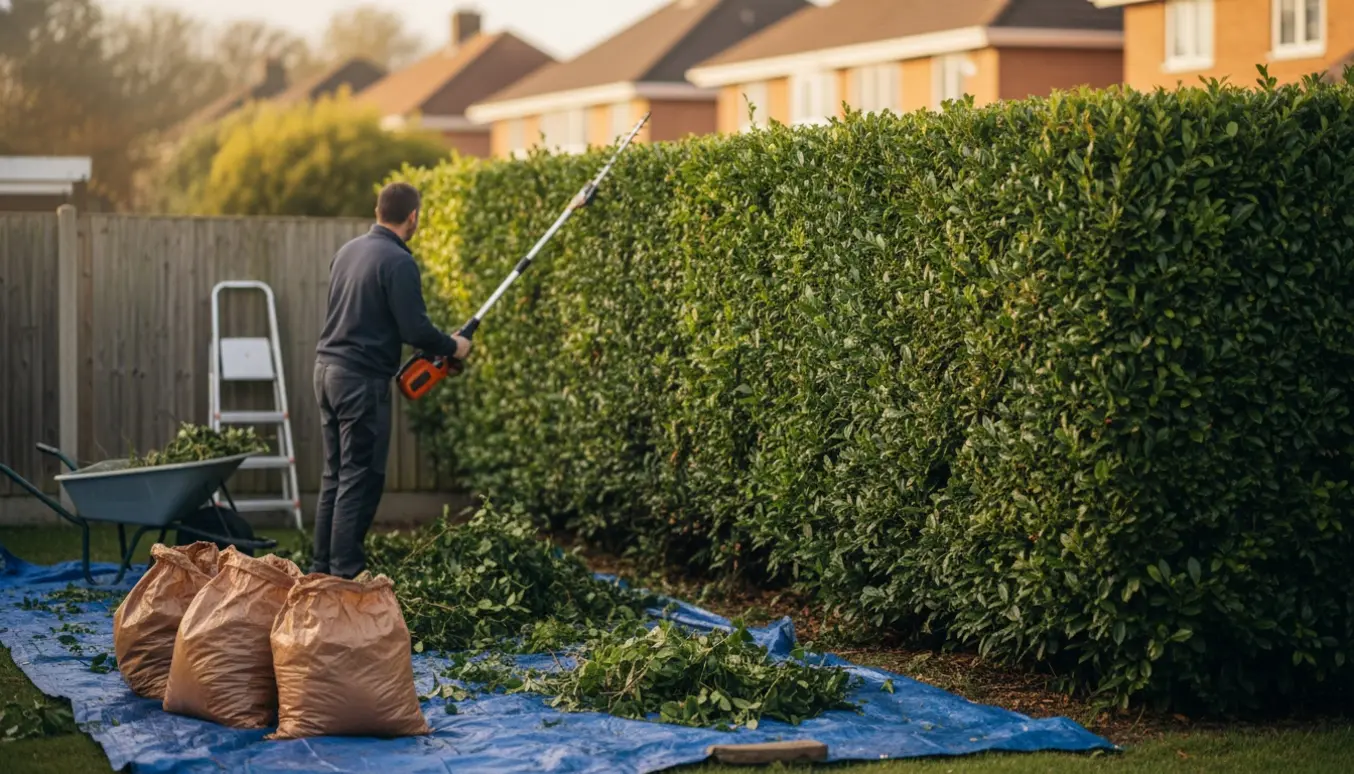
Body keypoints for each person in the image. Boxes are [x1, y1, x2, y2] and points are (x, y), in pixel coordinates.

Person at [311, 181, 470, 578]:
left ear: (378, 209)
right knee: (360, 477)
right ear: (412, 216)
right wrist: (453, 347)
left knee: (335, 475)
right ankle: (345, 575)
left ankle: (320, 571)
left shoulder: (347, 252)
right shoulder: (398, 261)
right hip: (359, 381)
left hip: (326, 371)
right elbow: (414, 330)